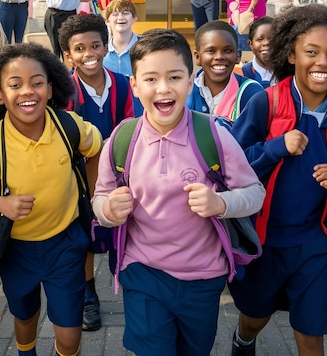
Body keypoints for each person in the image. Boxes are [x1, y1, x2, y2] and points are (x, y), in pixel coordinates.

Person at [92, 29, 265, 356]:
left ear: (190, 81)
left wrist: (220, 203)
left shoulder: (213, 134)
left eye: (174, 77)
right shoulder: (122, 138)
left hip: (203, 278)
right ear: (134, 85)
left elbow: (254, 193)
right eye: (151, 78)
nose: (163, 88)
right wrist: (107, 209)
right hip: (142, 273)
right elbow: (99, 197)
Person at [229, 3, 327, 356]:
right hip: (263, 241)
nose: (323, 63)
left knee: (312, 335)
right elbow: (231, 169)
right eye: (311, 52)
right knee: (255, 316)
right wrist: (274, 148)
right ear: (291, 54)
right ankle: (243, 340)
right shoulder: (264, 103)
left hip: (315, 244)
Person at [0, 43, 103, 356]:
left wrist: (95, 197)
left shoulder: (68, 126)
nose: (28, 91)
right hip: (16, 251)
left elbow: (96, 147)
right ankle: (25, 352)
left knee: (69, 335)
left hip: (65, 245)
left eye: (37, 83)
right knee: (24, 316)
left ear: (51, 88)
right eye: (15, 85)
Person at [58, 13, 135, 332]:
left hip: (120, 177)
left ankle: (134, 289)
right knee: (85, 240)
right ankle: (88, 293)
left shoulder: (122, 84)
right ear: (68, 55)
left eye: (95, 46)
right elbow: (64, 135)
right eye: (79, 49)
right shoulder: (63, 92)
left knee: (126, 235)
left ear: (106, 48)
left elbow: (132, 125)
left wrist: (113, 148)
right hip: (80, 181)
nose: (88, 54)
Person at [187, 20, 263, 121]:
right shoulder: (185, 92)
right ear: (197, 57)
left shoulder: (252, 93)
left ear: (238, 56)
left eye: (227, 51)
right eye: (211, 51)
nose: (219, 57)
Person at [103, 0, 139, 77]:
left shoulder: (146, 46)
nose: (120, 18)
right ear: (107, 21)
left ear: (134, 19)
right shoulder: (101, 48)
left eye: (125, 13)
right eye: (115, 14)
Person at [236, 16, 275, 87]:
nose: (266, 43)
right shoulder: (242, 75)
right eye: (260, 39)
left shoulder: (289, 74)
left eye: (272, 38)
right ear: (250, 44)